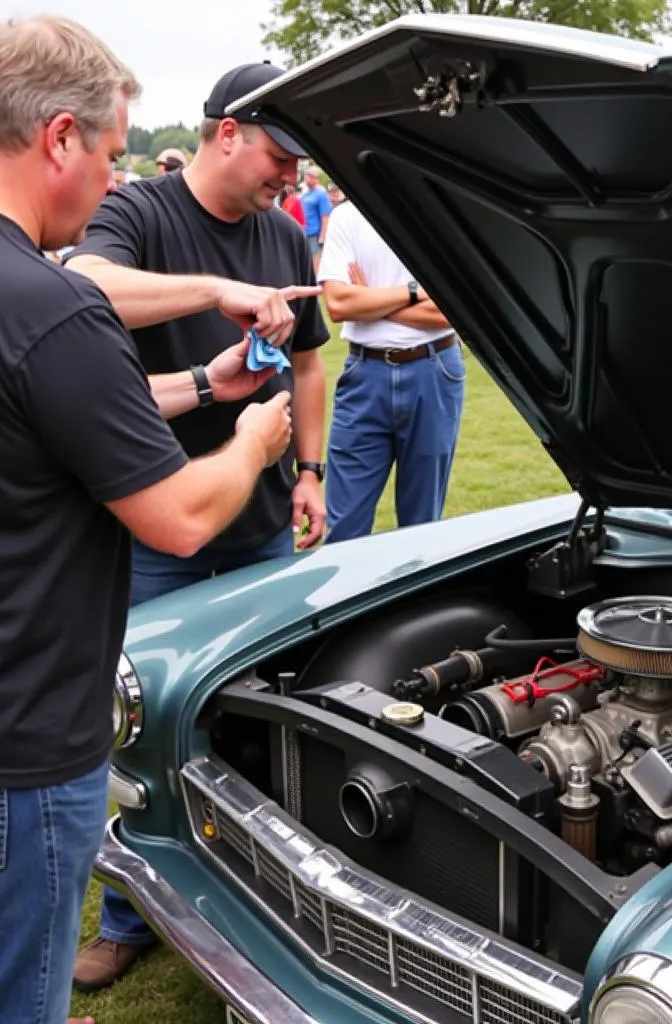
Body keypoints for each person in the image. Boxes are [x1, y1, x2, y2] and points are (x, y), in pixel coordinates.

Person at [0, 16, 293, 1024]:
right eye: (113, 155)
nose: (110, 184)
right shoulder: (54, 303)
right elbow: (173, 518)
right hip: (32, 735)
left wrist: (203, 381)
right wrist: (254, 442)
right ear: (62, 138)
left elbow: (53, 411)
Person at [65, 60, 329, 993]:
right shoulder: (139, 215)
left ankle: (257, 900)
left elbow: (306, 366)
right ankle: (133, 912)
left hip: (257, 521)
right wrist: (215, 287)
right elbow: (86, 282)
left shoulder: (289, 236)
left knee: (253, 718)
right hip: (155, 526)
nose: (291, 179)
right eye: (281, 157)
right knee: (142, 729)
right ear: (228, 132)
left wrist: (309, 472)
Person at [318, 198, 464, 542]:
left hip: (433, 369)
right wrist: (414, 291)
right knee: (344, 530)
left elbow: (452, 311)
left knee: (421, 527)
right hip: (365, 372)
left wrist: (369, 300)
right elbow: (339, 304)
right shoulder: (347, 216)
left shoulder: (440, 214)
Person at [299, 167, 332, 270]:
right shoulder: (305, 194)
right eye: (305, 175)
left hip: (315, 236)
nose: (305, 178)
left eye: (308, 176)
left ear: (315, 178)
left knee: (315, 266)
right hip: (304, 234)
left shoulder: (321, 194)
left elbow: (325, 216)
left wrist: (323, 237)